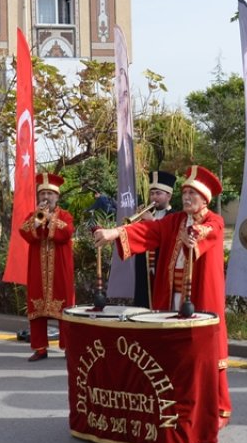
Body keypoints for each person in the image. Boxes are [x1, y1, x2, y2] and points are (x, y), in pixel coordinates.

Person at [94, 165, 233, 428]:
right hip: (173, 297)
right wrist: (114, 233)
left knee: (206, 352)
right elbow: (149, 232)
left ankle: (219, 409)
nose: (187, 197)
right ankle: (180, 403)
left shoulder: (214, 220)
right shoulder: (175, 220)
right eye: (185, 192)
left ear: (205, 198)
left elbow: (211, 232)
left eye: (193, 193)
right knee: (175, 352)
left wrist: (196, 235)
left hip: (201, 298)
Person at [19, 172, 75, 361]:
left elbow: (66, 233)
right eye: (42, 194)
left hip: (60, 270)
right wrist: (36, 221)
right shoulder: (33, 215)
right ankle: (40, 348)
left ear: (57, 196)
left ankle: (68, 346)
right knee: (37, 308)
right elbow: (23, 231)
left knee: (64, 308)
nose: (45, 198)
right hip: (38, 271)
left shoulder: (65, 215)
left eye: (50, 194)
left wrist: (51, 219)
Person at [132, 170, 176, 309]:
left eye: (158, 193)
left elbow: (171, 238)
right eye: (152, 193)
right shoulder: (146, 213)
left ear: (168, 195)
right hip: (145, 269)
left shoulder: (175, 216)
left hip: (163, 269)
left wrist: (152, 221)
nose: (154, 197)